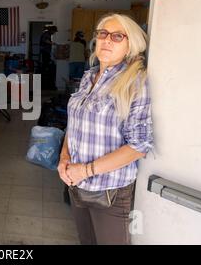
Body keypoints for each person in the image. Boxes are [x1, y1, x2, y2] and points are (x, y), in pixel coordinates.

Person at [57, 13, 153, 245]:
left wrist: (86, 170)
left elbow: (139, 146)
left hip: (110, 190)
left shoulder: (135, 82)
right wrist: (63, 158)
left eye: (118, 36)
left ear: (131, 45)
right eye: (103, 34)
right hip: (76, 184)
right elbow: (74, 124)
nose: (107, 40)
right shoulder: (89, 76)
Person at [39, 25, 58, 89]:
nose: (54, 33)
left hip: (46, 50)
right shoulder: (46, 33)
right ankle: (45, 72)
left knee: (47, 62)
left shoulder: (47, 33)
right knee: (46, 63)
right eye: (54, 31)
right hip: (45, 50)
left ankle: (45, 70)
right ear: (52, 30)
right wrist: (52, 43)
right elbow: (45, 40)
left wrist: (52, 43)